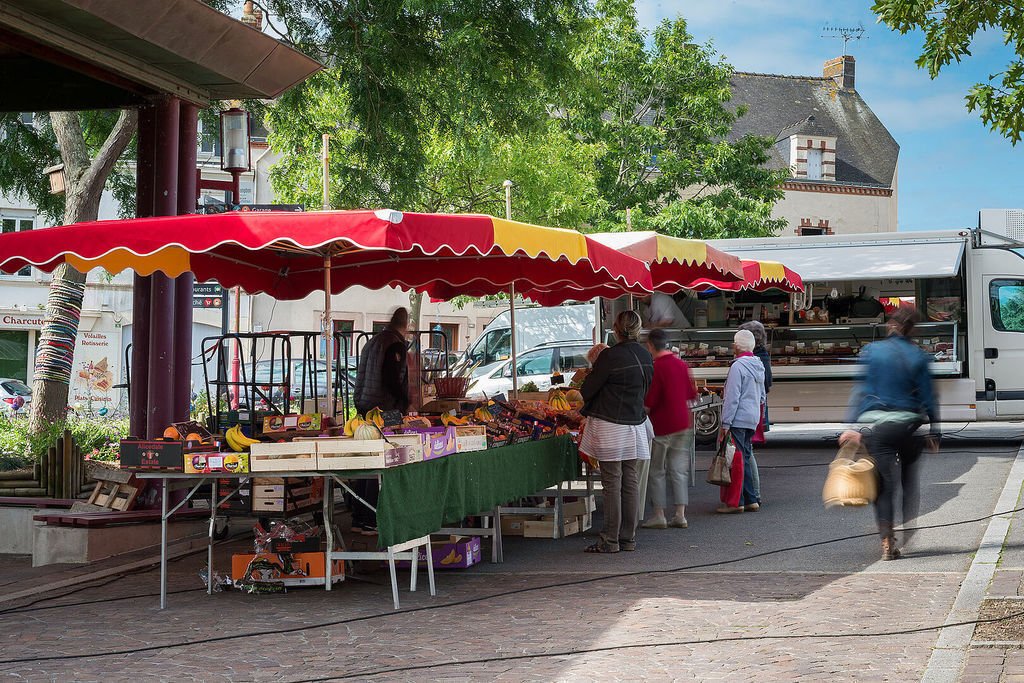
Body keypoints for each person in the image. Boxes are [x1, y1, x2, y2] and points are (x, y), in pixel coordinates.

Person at [840, 305, 939, 561]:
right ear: (912, 329)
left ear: (890, 325)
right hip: (908, 426)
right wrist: (935, 432)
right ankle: (908, 527)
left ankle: (887, 541)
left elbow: (861, 389)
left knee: (883, 486)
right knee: (909, 481)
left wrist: (850, 425)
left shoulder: (872, 351)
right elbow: (929, 397)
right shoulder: (919, 355)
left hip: (877, 428)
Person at [579, 310, 653, 553]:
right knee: (630, 480)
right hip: (636, 423)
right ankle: (628, 538)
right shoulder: (645, 354)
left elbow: (588, 390)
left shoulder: (609, 356)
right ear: (638, 329)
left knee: (612, 482)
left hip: (611, 425)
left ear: (616, 329)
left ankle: (610, 540)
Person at [350, 307, 411, 534]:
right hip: (384, 410)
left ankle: (358, 517)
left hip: (365, 407)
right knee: (381, 464)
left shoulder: (372, 342)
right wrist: (406, 403)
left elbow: (360, 377)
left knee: (366, 462)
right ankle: (370, 519)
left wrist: (359, 404)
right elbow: (394, 380)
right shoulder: (395, 345)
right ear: (406, 325)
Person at [640, 328, 697, 529]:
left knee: (657, 471)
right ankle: (680, 515)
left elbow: (650, 401)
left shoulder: (657, 368)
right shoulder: (682, 364)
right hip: (683, 424)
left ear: (650, 346)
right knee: (679, 471)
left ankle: (659, 516)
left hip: (662, 426)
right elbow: (691, 394)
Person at [718, 329, 766, 514]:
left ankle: (737, 502)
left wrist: (725, 423)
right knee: (744, 458)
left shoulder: (737, 367)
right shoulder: (758, 365)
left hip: (738, 419)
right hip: (752, 418)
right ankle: (750, 499)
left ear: (736, 345)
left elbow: (732, 398)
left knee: (737, 461)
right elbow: (762, 397)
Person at [739, 321, 772, 499]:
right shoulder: (761, 357)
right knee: (748, 450)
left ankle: (754, 494)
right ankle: (752, 494)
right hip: (754, 408)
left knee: (747, 451)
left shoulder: (751, 360)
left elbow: (765, 385)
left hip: (747, 409)